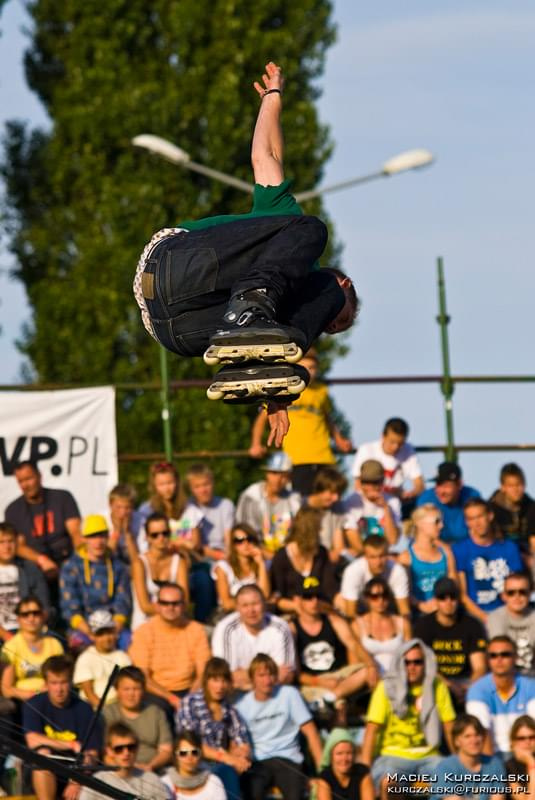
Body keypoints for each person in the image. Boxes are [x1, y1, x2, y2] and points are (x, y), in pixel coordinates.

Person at [134, 61, 358, 448]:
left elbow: (260, 346)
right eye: (339, 318)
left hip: (171, 331)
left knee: (269, 326)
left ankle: (249, 308)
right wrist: (273, 96)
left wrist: (276, 392)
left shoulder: (281, 323)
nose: (329, 327)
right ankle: (249, 300)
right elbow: (265, 155)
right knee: (312, 229)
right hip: (173, 263)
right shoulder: (288, 227)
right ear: (343, 283)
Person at [249, 348, 353, 495]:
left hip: (324, 456)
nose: (310, 372)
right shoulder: (284, 389)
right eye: (305, 368)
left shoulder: (321, 390)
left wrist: (339, 439)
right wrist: (255, 444)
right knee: (302, 505)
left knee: (330, 500)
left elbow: (327, 418)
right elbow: (263, 418)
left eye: (313, 368)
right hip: (297, 459)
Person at [360, 639, 455, 798]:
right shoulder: (386, 687)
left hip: (429, 755)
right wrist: (363, 771)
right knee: (389, 785)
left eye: (417, 662)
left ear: (425, 664)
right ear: (399, 663)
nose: (411, 667)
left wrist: (458, 762)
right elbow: (372, 729)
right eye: (407, 662)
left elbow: (449, 726)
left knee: (453, 785)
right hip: (392, 756)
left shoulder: (437, 685)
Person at [289, 576, 378, 721]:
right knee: (340, 706)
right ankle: (334, 699)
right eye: (308, 597)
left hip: (339, 677)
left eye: (318, 596)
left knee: (368, 670)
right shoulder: (292, 629)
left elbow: (354, 645)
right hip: (312, 681)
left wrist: (372, 665)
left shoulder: (334, 621)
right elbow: (297, 674)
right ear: (298, 600)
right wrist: (319, 682)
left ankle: (331, 697)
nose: (314, 601)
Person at [236, 652, 323, 800]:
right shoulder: (241, 706)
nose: (267, 680)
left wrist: (323, 771)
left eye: (270, 675)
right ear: (252, 679)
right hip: (259, 761)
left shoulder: (289, 694)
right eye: (261, 676)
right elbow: (238, 742)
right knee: (251, 793)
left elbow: (310, 731)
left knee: (296, 795)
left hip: (288, 758)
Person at [23, 654, 102, 800]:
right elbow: (32, 739)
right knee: (42, 755)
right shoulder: (33, 705)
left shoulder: (84, 709)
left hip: (77, 771)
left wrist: (78, 780)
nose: (59, 689)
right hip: (43, 771)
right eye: (54, 683)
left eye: (63, 682)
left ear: (71, 682)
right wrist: (70, 744)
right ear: (46, 684)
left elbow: (92, 753)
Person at [129, 582, 210, 712]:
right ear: (157, 606)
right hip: (157, 691)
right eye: (165, 603)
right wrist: (172, 699)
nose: (170, 607)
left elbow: (203, 674)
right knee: (157, 710)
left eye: (175, 603)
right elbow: (143, 677)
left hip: (189, 689)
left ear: (184, 606)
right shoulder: (143, 632)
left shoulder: (196, 630)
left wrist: (189, 698)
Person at [177, 657, 251, 799]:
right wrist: (227, 758)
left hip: (224, 763)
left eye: (224, 681)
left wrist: (241, 757)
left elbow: (242, 739)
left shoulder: (229, 709)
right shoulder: (190, 703)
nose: (220, 686)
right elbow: (191, 743)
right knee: (225, 771)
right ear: (206, 681)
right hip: (194, 761)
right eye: (215, 680)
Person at [59, 513, 132, 650]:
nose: (98, 542)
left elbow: (123, 601)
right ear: (84, 539)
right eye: (92, 537)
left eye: (102, 536)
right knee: (77, 644)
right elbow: (69, 606)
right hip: (84, 628)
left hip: (112, 627)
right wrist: (90, 633)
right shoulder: (71, 566)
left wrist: (113, 631)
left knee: (131, 642)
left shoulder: (117, 565)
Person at [413, 577, 487, 709]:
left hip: (467, 681)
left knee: (481, 697)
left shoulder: (472, 624)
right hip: (436, 680)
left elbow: (480, 667)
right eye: (442, 597)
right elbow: (423, 666)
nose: (448, 602)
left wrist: (469, 687)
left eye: (452, 597)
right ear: (436, 600)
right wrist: (449, 686)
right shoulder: (423, 626)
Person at [211, 583, 296, 691]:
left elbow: (287, 676)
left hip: (274, 692)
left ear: (264, 604)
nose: (251, 610)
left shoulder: (280, 628)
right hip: (237, 695)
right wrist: (271, 673)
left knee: (291, 693)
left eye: (255, 604)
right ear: (237, 608)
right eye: (245, 605)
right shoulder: (225, 629)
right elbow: (225, 678)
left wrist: (243, 674)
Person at [5, 459, 81, 575]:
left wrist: (79, 561)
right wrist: (42, 560)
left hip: (67, 560)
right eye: (21, 481)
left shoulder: (62, 497)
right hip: (35, 567)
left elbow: (75, 532)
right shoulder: (13, 510)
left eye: (29, 479)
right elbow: (18, 546)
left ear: (39, 476)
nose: (26, 485)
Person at [454, 498, 523, 624]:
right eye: (471, 519)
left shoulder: (509, 547)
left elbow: (517, 586)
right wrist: (485, 618)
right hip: (475, 617)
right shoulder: (460, 549)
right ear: (466, 522)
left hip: (507, 614)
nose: (477, 523)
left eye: (480, 516)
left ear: (490, 516)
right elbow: (462, 595)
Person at [466, 635, 535, 756]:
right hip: (493, 755)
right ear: (488, 660)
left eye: (505, 654)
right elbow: (481, 731)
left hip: (526, 751)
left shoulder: (530, 686)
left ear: (515, 657)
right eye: (493, 655)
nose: (499, 659)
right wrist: (492, 767)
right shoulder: (477, 690)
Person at [103, 666, 173, 773]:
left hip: (153, 770)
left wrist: (150, 767)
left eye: (136, 689)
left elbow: (166, 750)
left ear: (143, 690)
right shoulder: (107, 714)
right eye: (126, 689)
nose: (131, 694)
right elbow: (105, 754)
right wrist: (131, 768)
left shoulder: (156, 712)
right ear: (117, 690)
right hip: (118, 772)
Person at [270, 507, 339, 614]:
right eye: (318, 527)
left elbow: (330, 590)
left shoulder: (321, 553)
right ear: (310, 531)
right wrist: (299, 607)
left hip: (320, 610)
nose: (321, 530)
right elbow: (276, 595)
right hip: (291, 613)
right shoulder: (281, 557)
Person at [79, 722, 169, 800]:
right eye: (119, 749)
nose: (126, 753)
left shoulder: (152, 779)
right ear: (109, 751)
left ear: (137, 748)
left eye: (131, 747)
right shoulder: (97, 782)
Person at [131, 511, 189, 631]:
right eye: (155, 535)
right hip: (144, 624)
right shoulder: (139, 563)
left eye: (165, 533)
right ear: (147, 538)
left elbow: (185, 600)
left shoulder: (179, 561)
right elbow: (144, 606)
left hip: (174, 623)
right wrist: (172, 608)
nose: (161, 538)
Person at [235, 451, 301, 558]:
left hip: (288, 556)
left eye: (284, 475)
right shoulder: (251, 497)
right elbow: (244, 534)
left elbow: (299, 534)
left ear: (289, 478)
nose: (278, 480)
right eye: (274, 473)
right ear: (267, 473)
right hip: (255, 555)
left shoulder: (294, 499)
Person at [1, 595, 63, 702]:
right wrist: (35, 694)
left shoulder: (55, 644)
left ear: (43, 616)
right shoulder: (11, 646)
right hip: (22, 703)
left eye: (36, 613)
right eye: (25, 614)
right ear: (18, 619)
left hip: (53, 699)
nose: (31, 618)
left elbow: (62, 678)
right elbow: (7, 689)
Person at [398, 504, 456, 615]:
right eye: (437, 521)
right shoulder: (406, 557)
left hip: (446, 612)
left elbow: (454, 584)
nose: (441, 526)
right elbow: (405, 592)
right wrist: (421, 605)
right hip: (419, 615)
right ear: (420, 524)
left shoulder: (446, 552)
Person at [434, 714, 507, 799]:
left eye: (477, 735)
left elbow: (498, 797)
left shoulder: (495, 764)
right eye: (467, 736)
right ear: (457, 741)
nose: (474, 740)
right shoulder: (445, 768)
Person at [352, 418, 424, 502]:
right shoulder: (366, 450)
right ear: (383, 436)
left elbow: (419, 484)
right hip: (369, 501)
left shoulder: (408, 450)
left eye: (400, 443)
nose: (396, 447)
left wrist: (410, 494)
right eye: (392, 442)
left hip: (396, 501)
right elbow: (358, 485)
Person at [339, 534, 410, 619]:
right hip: (360, 611)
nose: (378, 562)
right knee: (340, 601)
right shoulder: (352, 571)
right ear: (365, 557)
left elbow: (404, 610)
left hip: (389, 610)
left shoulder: (397, 571)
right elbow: (351, 614)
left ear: (387, 555)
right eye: (373, 557)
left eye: (382, 556)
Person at [343, 460, 406, 555]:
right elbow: (353, 540)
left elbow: (393, 540)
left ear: (382, 482)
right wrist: (371, 559)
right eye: (366, 482)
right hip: (360, 556)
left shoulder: (393, 502)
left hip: (385, 556)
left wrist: (386, 509)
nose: (370, 487)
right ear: (360, 481)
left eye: (375, 482)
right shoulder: (351, 502)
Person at [0, 521, 49, 642]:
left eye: (10, 541)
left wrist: (30, 632)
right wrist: (6, 636)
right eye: (1, 542)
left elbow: (44, 606)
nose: (7, 547)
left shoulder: (30, 569)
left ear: (17, 543)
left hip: (29, 630)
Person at [72, 609, 131, 708]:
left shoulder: (122, 656)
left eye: (109, 633)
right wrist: (105, 711)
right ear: (93, 636)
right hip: (94, 709)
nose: (107, 638)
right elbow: (88, 692)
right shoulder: (85, 658)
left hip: (120, 707)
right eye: (101, 634)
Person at [353, 577, 411, 676]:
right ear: (367, 598)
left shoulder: (403, 623)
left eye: (384, 595)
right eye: (374, 596)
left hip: (399, 676)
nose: (380, 600)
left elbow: (410, 657)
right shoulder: (357, 625)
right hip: (369, 678)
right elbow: (354, 662)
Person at [416, 461, 481, 543]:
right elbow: (426, 539)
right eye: (438, 485)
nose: (441, 491)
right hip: (436, 550)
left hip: (464, 548)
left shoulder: (472, 496)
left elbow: (478, 533)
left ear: (459, 484)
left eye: (446, 486)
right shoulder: (426, 499)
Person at [211, 523, 270, 612]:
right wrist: (252, 604)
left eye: (249, 539)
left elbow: (265, 594)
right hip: (231, 613)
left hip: (258, 612)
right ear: (233, 545)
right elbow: (226, 603)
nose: (245, 543)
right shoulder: (223, 567)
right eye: (239, 541)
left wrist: (261, 564)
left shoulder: (261, 564)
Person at [184, 463, 235, 560]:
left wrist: (227, 556)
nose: (203, 490)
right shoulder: (187, 507)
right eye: (197, 487)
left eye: (206, 484)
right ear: (191, 489)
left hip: (224, 555)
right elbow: (193, 544)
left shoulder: (226, 505)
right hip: (197, 556)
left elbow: (228, 540)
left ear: (213, 483)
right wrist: (217, 555)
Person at [487, 572, 535, 675]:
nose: (517, 596)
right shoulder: (495, 618)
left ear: (530, 594)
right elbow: (501, 652)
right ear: (504, 595)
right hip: (507, 677)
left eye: (522, 592)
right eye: (511, 592)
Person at [162, 731, 226, 799]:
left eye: (194, 752)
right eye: (183, 753)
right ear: (175, 756)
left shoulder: (214, 782)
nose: (189, 758)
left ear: (200, 754)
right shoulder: (165, 784)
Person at [303, 466, 348, 562]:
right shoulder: (300, 506)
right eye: (332, 493)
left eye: (339, 494)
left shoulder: (337, 509)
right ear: (320, 489)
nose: (336, 498)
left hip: (326, 562)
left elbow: (338, 548)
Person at [316, 727, 374, 800]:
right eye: (339, 754)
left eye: (349, 753)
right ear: (331, 756)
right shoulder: (325, 777)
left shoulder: (362, 773)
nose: (344, 759)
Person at [488, 463, 535, 553]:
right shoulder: (492, 509)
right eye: (511, 486)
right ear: (503, 487)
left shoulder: (532, 507)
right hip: (500, 554)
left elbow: (533, 540)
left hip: (526, 554)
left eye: (519, 484)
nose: (516, 490)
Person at [102, 483, 142, 565]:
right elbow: (104, 558)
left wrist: (127, 533)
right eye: (118, 507)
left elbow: (138, 561)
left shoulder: (141, 521)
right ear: (110, 505)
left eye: (127, 508)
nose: (123, 512)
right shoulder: (101, 520)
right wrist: (117, 531)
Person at [505, 715, 535, 799]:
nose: (527, 741)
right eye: (521, 738)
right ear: (513, 741)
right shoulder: (507, 768)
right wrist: (531, 763)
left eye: (532, 737)